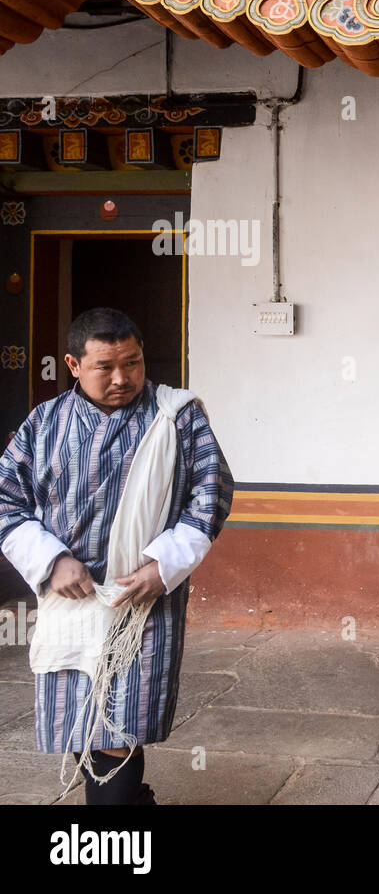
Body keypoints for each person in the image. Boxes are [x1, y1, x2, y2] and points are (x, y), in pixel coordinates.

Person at [0, 307, 233, 804]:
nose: (122, 378)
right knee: (83, 715)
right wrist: (51, 561)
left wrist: (162, 566)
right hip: (70, 594)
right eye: (105, 366)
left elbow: (210, 496)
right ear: (73, 364)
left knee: (121, 721)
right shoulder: (45, 423)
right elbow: (7, 500)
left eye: (133, 362)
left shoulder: (177, 417)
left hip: (142, 595)